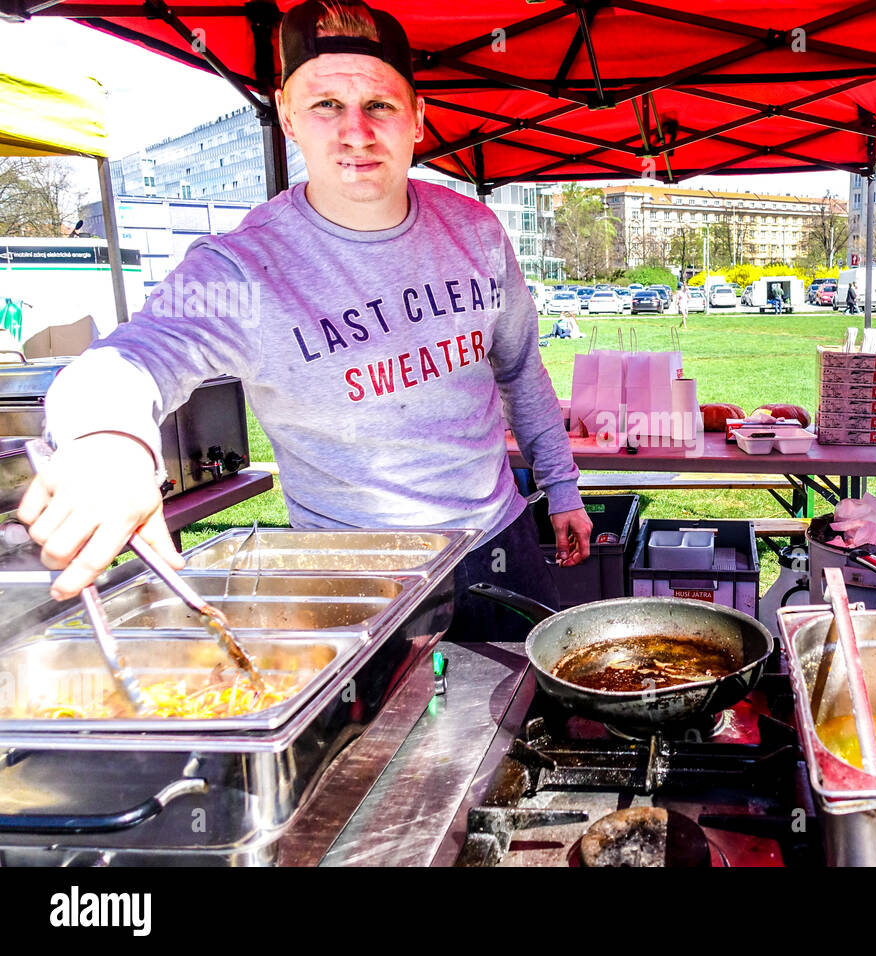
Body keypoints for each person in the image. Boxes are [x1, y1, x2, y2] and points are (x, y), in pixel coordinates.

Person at [17, 0, 591, 643]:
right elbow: (132, 359)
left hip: (498, 542)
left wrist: (561, 488)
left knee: (538, 730)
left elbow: (518, 366)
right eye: (325, 106)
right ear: (288, 116)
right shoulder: (241, 268)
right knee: (388, 746)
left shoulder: (476, 231)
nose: (356, 132)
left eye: (379, 104)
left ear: (417, 120)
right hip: (354, 574)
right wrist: (108, 442)